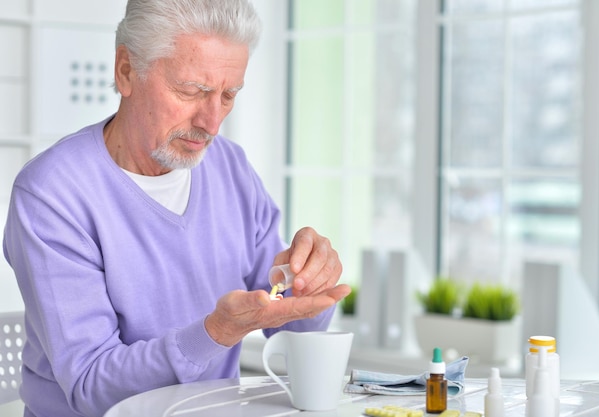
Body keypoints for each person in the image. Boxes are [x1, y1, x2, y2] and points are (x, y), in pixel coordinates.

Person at [2, 1, 351, 416]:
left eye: (228, 95)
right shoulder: (53, 194)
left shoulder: (231, 168)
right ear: (126, 71)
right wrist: (214, 333)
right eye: (191, 90)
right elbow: (90, 385)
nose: (212, 122)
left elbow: (287, 323)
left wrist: (307, 284)